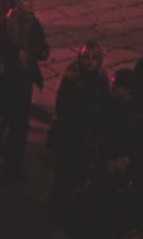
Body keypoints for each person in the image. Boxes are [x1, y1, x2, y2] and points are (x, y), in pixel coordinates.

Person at [49, 41, 110, 211]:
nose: (89, 62)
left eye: (93, 58)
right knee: (63, 177)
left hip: (88, 138)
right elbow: (61, 107)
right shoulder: (71, 79)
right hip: (70, 136)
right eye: (85, 58)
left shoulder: (102, 80)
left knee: (81, 177)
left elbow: (105, 107)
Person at [0, 0, 49, 179]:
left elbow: (43, 49)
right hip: (7, 80)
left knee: (20, 126)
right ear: (16, 3)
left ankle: (14, 168)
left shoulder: (34, 24)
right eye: (26, 0)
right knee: (5, 121)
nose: (31, 4)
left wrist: (36, 53)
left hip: (23, 79)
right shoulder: (6, 24)